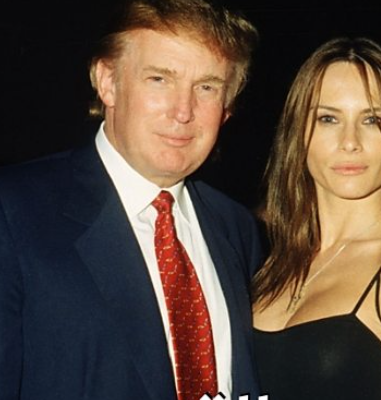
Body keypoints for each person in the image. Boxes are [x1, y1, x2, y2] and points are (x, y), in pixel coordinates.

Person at [0, 1, 260, 399]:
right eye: (160, 79)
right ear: (107, 82)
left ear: (226, 108)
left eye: (206, 87)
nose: (183, 111)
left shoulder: (237, 229)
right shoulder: (15, 213)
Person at [251, 37, 381, 400]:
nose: (350, 141)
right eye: (328, 119)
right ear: (298, 133)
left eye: (372, 120)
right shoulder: (269, 261)